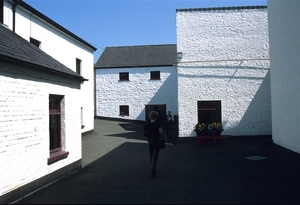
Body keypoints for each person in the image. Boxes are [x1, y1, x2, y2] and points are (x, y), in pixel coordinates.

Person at [145, 111, 163, 178]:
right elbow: (160, 132)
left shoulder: (148, 124)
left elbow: (146, 133)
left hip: (150, 141)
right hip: (156, 141)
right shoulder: (157, 124)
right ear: (155, 117)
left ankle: (153, 169)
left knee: (151, 156)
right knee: (155, 156)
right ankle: (152, 171)